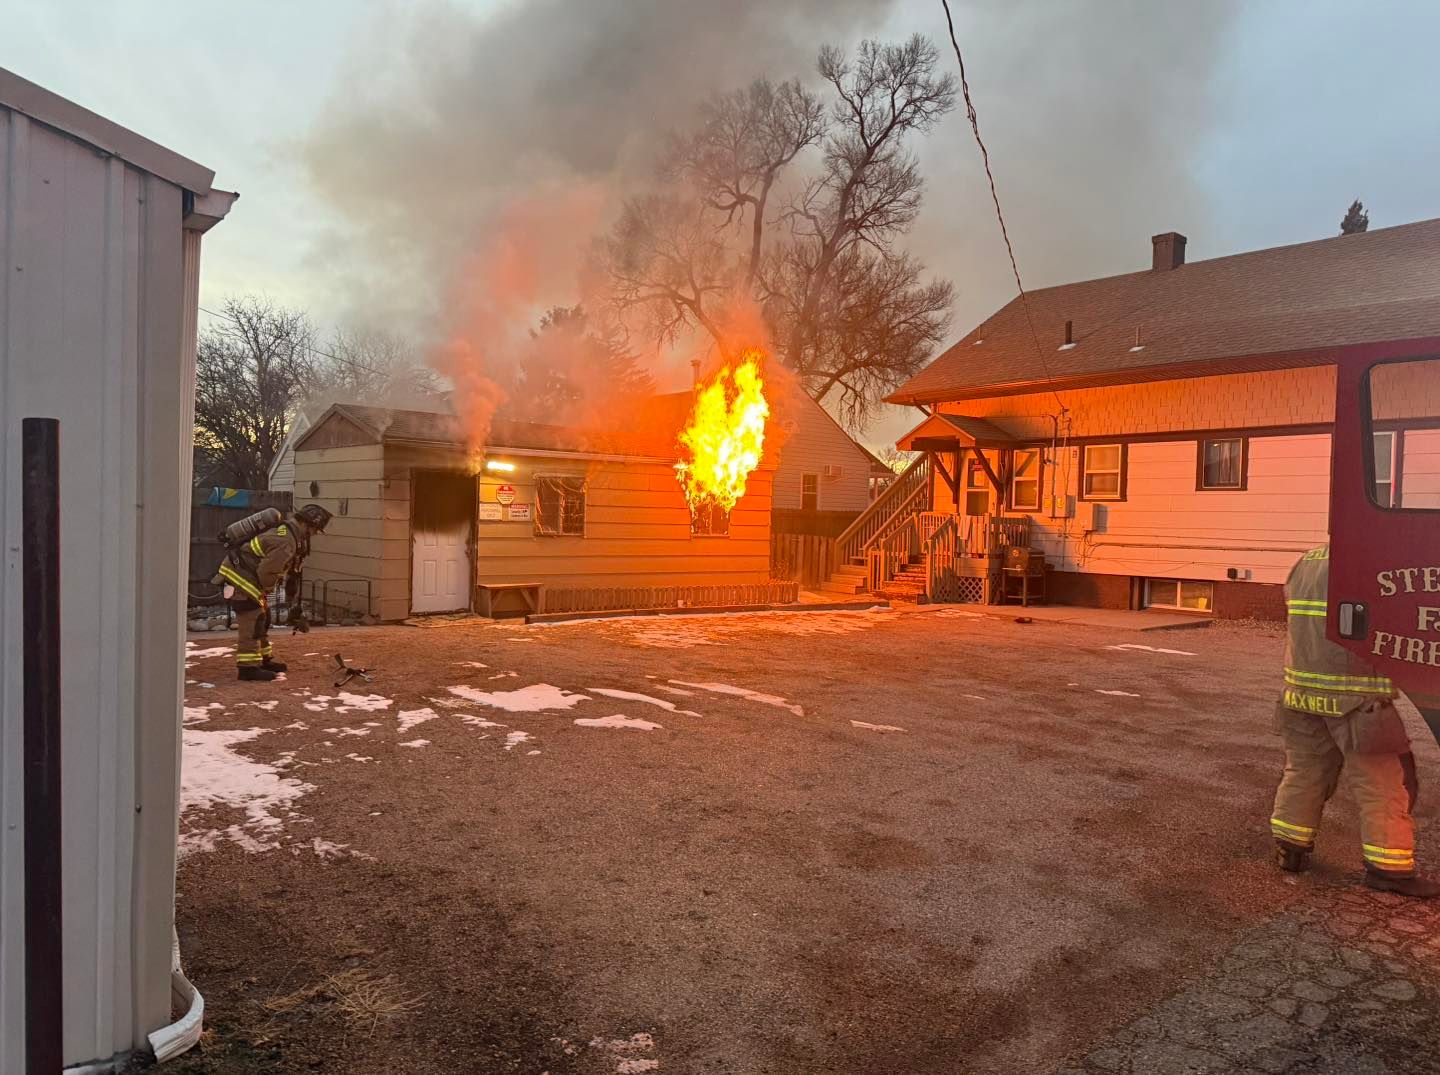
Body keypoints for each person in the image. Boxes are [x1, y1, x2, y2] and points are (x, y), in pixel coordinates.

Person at [1270, 544, 1439, 898]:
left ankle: (1291, 849)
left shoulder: (1307, 561)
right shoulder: (1372, 561)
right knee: (1382, 783)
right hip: (1356, 698)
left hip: (1301, 692)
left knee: (1305, 771)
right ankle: (1389, 869)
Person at [215, 504, 332, 682]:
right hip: (240, 578)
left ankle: (263, 660)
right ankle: (247, 669)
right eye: (315, 530)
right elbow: (267, 572)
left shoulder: (289, 535)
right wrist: (267, 591)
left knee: (263, 618)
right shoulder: (286, 542)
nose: (315, 534)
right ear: (307, 525)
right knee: (253, 621)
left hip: (248, 578)